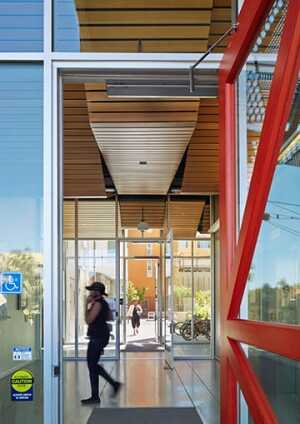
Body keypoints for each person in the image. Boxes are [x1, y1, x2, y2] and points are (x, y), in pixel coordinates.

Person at [81, 281, 121, 405]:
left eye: (92, 290)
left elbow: (88, 320)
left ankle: (96, 396)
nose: (90, 292)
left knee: (92, 365)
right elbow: (109, 317)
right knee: (93, 365)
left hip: (97, 337)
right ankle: (113, 385)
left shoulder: (97, 304)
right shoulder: (103, 303)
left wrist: (86, 305)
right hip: (101, 336)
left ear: (97, 292)